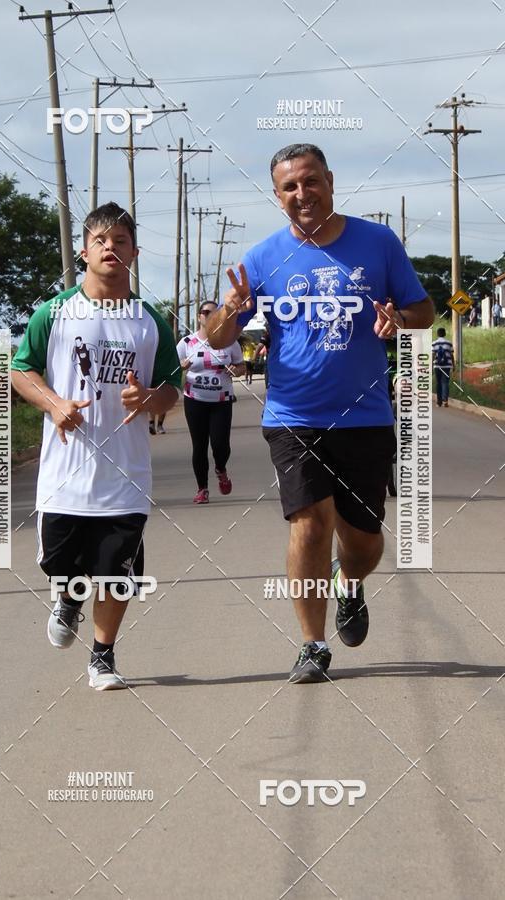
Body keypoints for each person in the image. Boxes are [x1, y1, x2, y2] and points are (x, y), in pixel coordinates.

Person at [206, 143, 434, 683]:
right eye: (290, 186)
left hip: (365, 418)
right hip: (293, 416)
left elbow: (424, 310)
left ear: (330, 181)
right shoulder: (263, 258)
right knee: (309, 526)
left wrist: (400, 320)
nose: (302, 193)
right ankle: (312, 643)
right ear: (277, 195)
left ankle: (348, 582)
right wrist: (230, 311)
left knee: (364, 541)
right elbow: (215, 338)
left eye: (310, 181)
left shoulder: (378, 243)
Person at [11, 202, 181, 690]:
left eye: (120, 241)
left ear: (134, 252)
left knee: (116, 571)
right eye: (100, 241)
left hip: (126, 476)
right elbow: (21, 370)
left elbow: (171, 388)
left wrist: (149, 399)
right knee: (60, 564)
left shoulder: (150, 321)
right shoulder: (54, 312)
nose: (111, 248)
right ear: (83, 252)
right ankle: (68, 597)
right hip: (65, 474)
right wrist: (54, 403)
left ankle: (103, 656)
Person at [177, 301, 245, 504]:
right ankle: (202, 489)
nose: (209, 316)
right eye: (205, 312)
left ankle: (221, 469)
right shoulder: (187, 342)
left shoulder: (229, 342)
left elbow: (241, 367)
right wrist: (181, 366)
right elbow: (172, 368)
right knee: (199, 446)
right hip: (194, 400)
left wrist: (235, 370)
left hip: (221, 401)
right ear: (199, 316)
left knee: (220, 445)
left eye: (214, 312)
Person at [432, 327, 454, 407]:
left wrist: (431, 365)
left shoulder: (434, 343)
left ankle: (439, 402)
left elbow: (433, 355)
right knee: (445, 383)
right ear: (444, 334)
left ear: (437, 334)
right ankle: (445, 401)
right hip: (447, 366)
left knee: (438, 383)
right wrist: (453, 365)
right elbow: (451, 355)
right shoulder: (449, 343)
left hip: (437, 366)